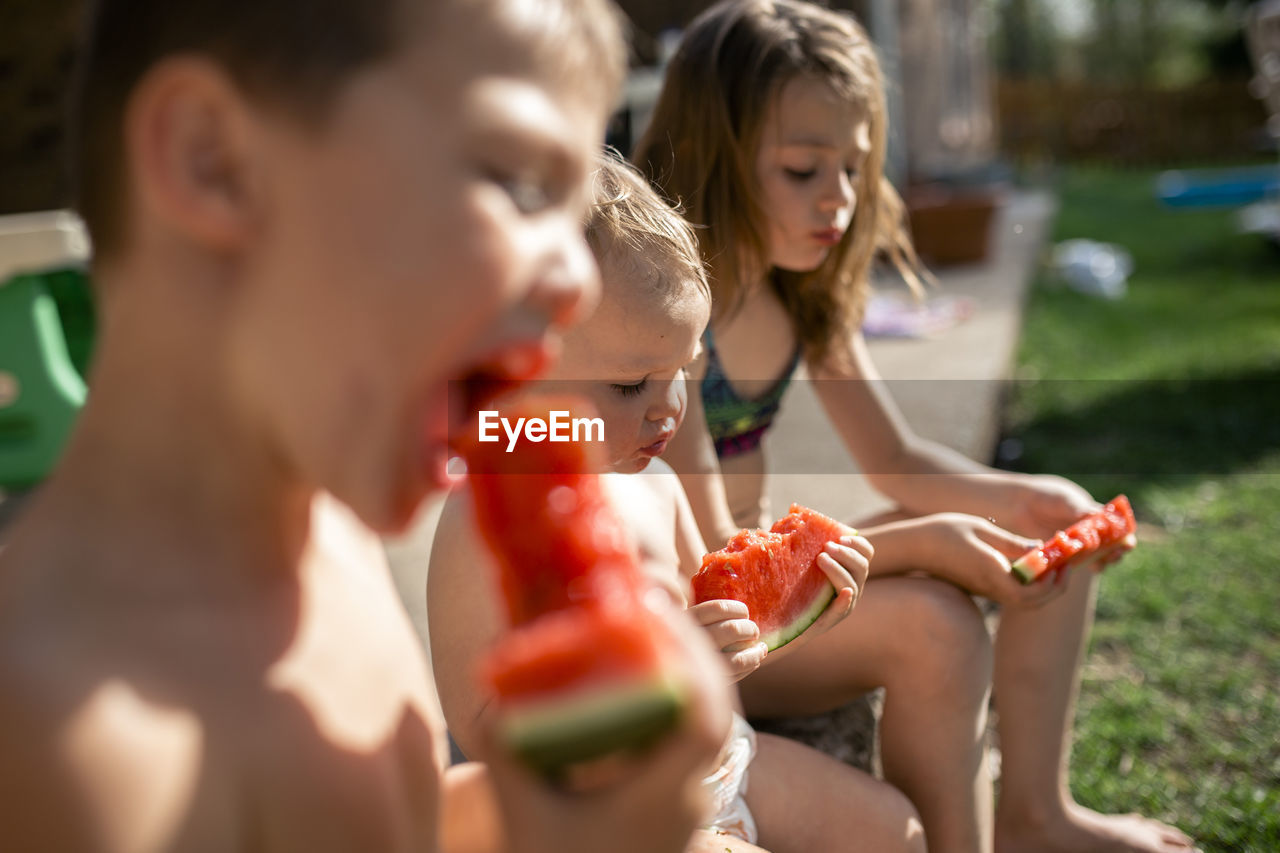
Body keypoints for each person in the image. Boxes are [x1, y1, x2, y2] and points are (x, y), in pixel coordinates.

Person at [0, 1, 737, 851]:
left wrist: (547, 815)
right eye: (516, 182)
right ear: (214, 161)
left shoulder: (331, 546)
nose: (575, 278)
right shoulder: (59, 743)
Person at [634, 1, 1198, 852]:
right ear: (714, 154)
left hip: (767, 594)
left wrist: (1026, 496)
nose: (840, 199)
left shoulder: (800, 296)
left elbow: (895, 458)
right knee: (937, 625)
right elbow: (715, 559)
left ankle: (1037, 812)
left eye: (855, 170)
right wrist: (927, 542)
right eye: (802, 170)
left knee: (1055, 516)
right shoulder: (670, 320)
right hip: (711, 630)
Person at [428, 151, 926, 853]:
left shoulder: (657, 485)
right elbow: (481, 727)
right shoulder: (488, 513)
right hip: (602, 820)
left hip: (727, 765)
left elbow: (727, 635)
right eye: (632, 385)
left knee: (893, 831)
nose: (667, 409)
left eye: (684, 372)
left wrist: (797, 616)